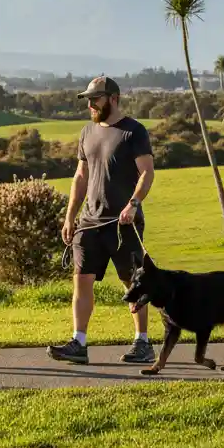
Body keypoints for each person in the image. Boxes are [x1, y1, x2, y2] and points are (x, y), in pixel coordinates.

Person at [48, 75, 157, 366]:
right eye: (88, 100)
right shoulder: (87, 132)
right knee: (81, 281)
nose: (91, 105)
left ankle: (143, 343)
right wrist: (70, 217)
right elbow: (80, 177)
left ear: (113, 98)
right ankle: (78, 343)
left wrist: (134, 204)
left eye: (95, 99)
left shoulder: (134, 132)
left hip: (123, 224)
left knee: (133, 283)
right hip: (89, 222)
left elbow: (147, 172)